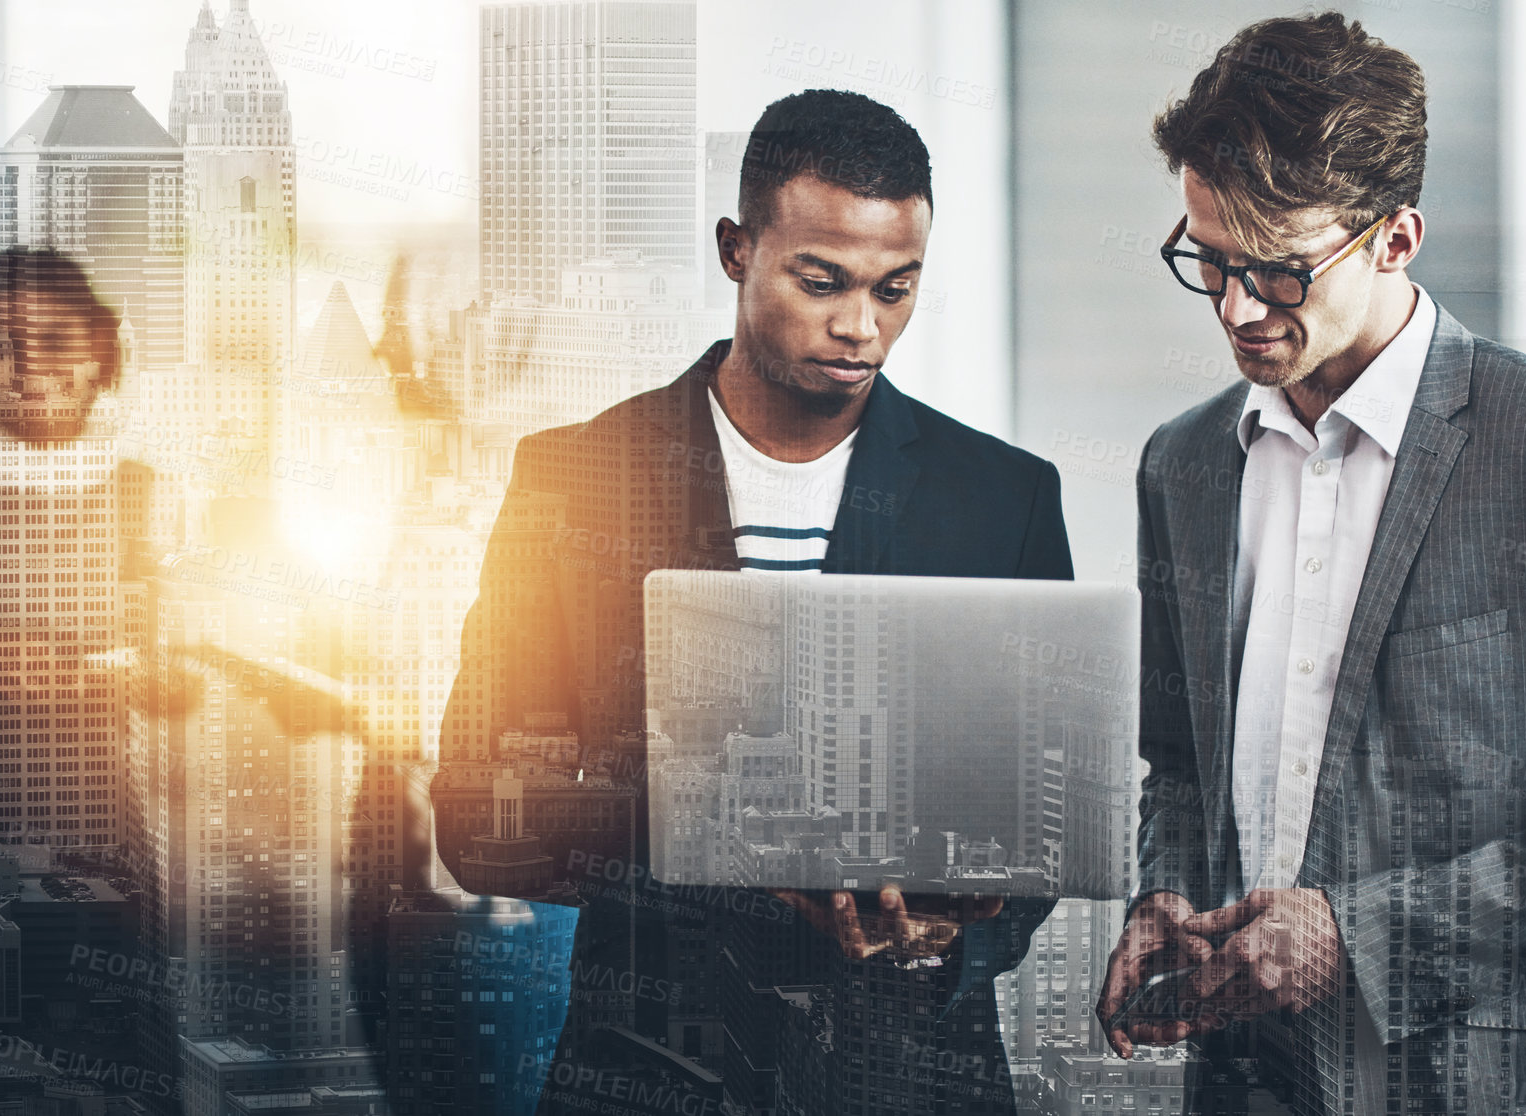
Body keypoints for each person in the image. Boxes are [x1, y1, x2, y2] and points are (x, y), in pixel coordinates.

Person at [426, 89, 1073, 1115]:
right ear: (736, 250)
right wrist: (730, 831)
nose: (860, 328)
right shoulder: (572, 482)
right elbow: (477, 815)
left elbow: (1044, 827)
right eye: (820, 283)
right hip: (649, 1069)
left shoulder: (1000, 498)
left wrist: (948, 936)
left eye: (895, 290)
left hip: (909, 1074)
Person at [1096, 13, 1526, 1115]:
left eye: (1274, 272)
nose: (1234, 310)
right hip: (1240, 1081)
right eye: (1207, 260)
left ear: (1394, 239)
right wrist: (1161, 892)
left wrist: (1350, 940)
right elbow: (1176, 766)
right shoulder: (1179, 465)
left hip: (1473, 1080)